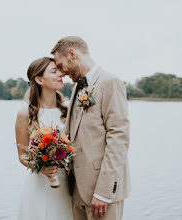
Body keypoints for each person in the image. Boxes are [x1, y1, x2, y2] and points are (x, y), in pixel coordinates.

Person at [51, 36, 131, 219]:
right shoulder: (76, 88)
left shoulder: (110, 82)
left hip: (102, 194)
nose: (61, 72)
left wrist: (103, 192)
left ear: (72, 54)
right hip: (77, 189)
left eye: (61, 65)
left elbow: (119, 138)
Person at [15, 57, 73, 220]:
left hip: (67, 188)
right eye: (54, 72)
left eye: (60, 70)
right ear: (39, 79)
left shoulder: (68, 110)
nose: (61, 74)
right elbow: (22, 154)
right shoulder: (25, 113)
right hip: (39, 187)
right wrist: (40, 167)